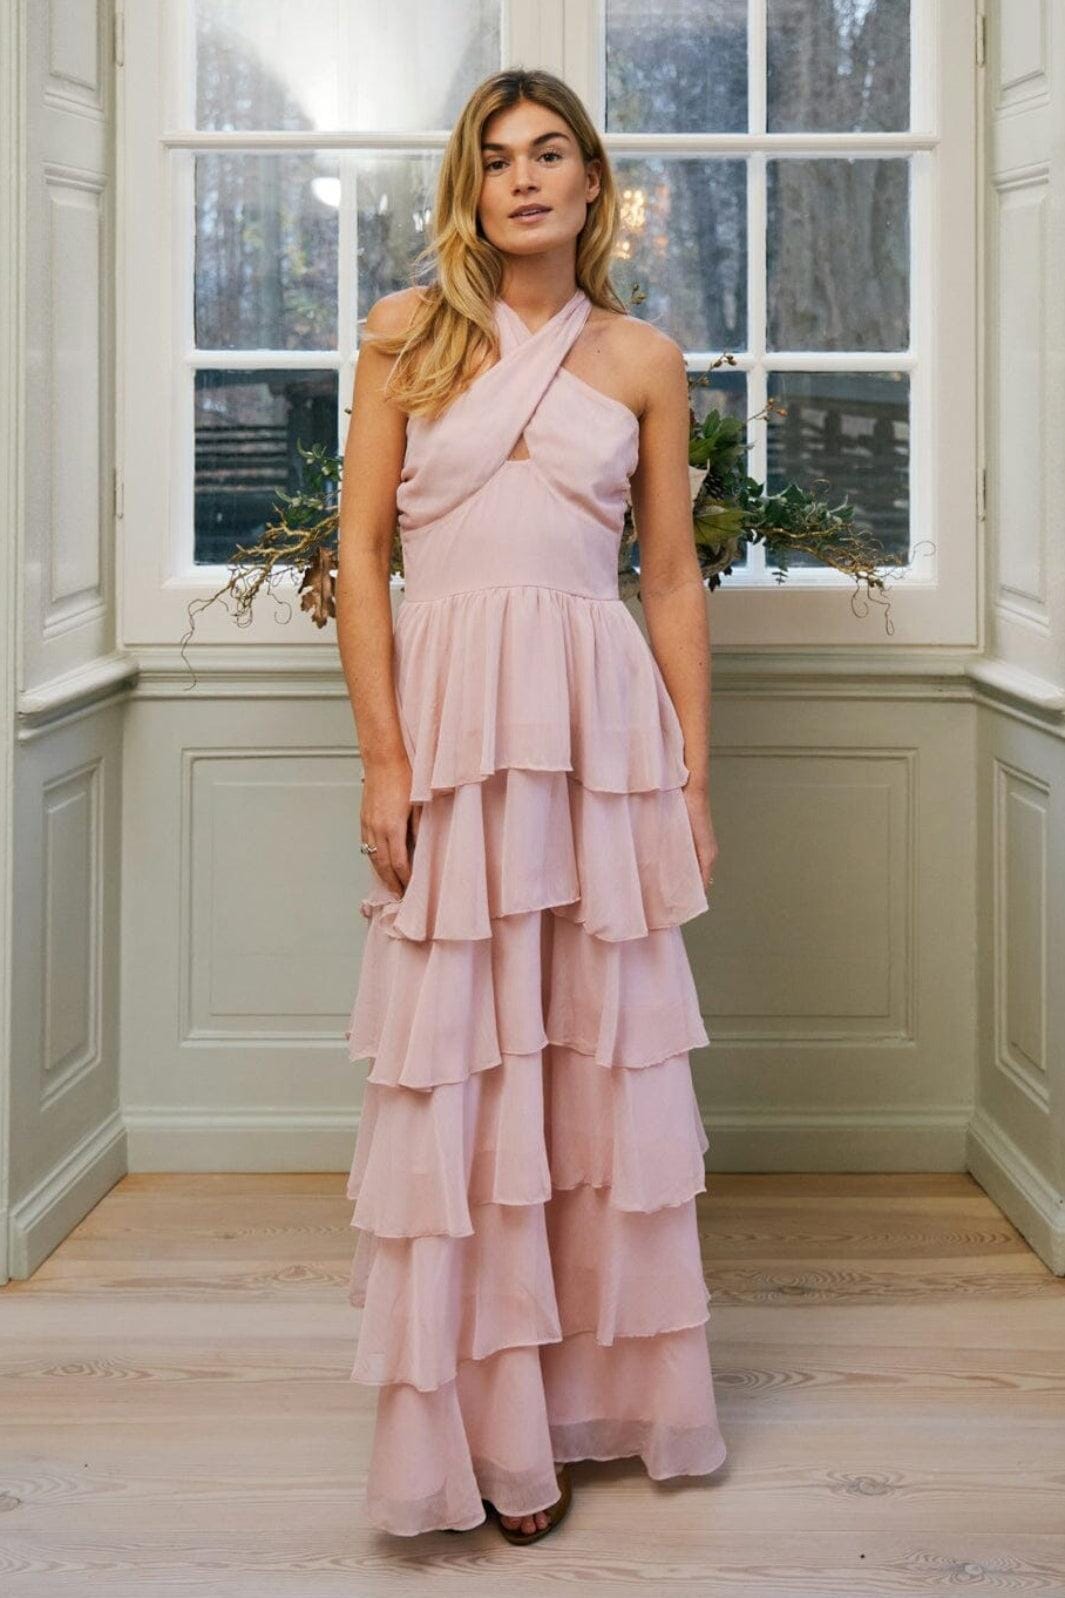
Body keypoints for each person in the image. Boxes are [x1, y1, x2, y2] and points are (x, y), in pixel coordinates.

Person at [335, 65, 726, 1543]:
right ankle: (486, 1433)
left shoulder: (642, 358)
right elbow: (360, 555)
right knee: (465, 1068)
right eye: (496, 158)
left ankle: (585, 1403)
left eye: (549, 153)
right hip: (450, 727)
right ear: (470, 186)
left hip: (595, 733)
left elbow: (669, 578)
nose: (522, 178)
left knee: (590, 1064)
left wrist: (691, 773)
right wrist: (385, 759)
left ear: (590, 180)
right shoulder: (403, 335)